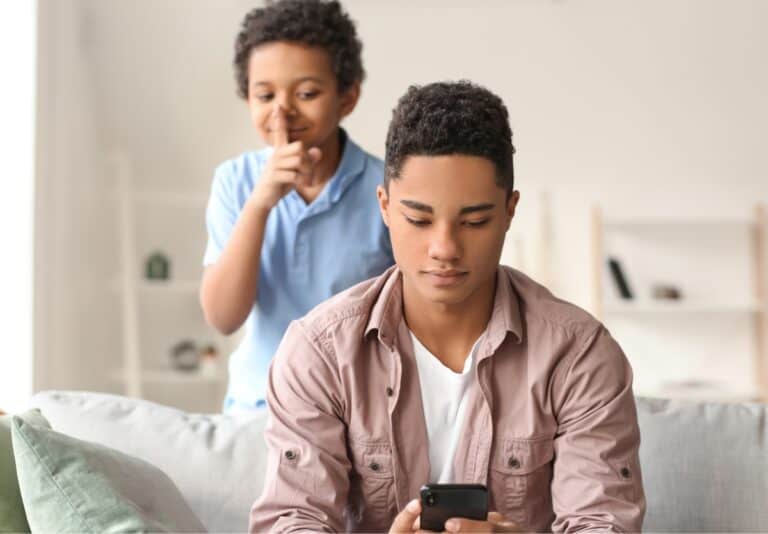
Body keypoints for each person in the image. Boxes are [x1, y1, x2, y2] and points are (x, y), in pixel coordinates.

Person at [250, 81, 646, 532]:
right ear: (384, 207)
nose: (445, 248)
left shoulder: (579, 355)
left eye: (474, 221)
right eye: (418, 220)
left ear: (509, 212)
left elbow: (603, 523)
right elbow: (291, 520)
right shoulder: (319, 352)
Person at [200, 0, 394, 413]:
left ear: (347, 97)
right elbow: (222, 317)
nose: (282, 110)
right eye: (264, 94)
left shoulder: (387, 188)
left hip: (357, 412)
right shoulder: (234, 182)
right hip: (258, 408)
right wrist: (260, 204)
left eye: (306, 93)